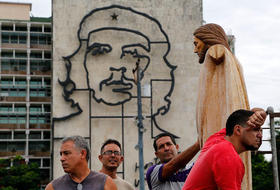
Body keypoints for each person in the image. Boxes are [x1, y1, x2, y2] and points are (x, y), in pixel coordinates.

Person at [193, 23, 252, 189]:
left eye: (196, 44)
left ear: (207, 40)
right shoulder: (233, 60)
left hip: (218, 130)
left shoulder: (215, 53)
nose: (195, 50)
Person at [182, 109, 266, 190]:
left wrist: (262, 114)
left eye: (261, 131)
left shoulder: (216, 140)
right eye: (255, 129)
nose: (260, 135)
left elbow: (237, 120)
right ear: (238, 130)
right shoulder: (228, 155)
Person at [45, 136, 117, 190]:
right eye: (61, 154)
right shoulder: (53, 187)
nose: (62, 159)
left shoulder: (106, 183)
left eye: (66, 153)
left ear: (82, 154)